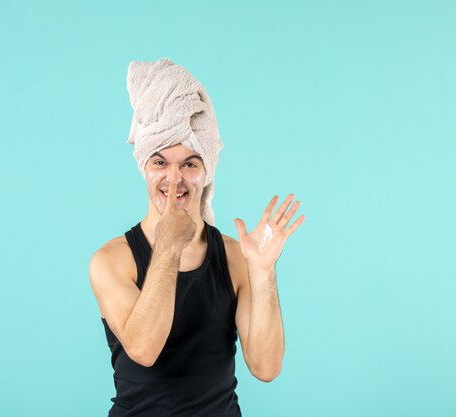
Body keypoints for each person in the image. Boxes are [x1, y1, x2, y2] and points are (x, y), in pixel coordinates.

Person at [89, 58, 306, 417]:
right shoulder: (112, 261)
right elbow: (144, 348)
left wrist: (263, 272)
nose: (174, 179)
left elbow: (266, 368)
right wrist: (170, 244)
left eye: (190, 164)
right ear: (144, 167)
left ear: (206, 173)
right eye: (160, 163)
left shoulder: (235, 256)